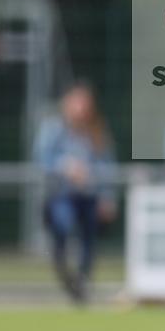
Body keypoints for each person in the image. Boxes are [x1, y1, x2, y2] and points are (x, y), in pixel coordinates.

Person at [34, 82, 117, 303]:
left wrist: (107, 196)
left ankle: (81, 281)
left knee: (89, 241)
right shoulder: (54, 129)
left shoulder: (97, 131)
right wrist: (66, 166)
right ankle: (68, 276)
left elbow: (107, 165)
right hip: (61, 194)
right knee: (63, 228)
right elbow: (42, 160)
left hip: (88, 196)